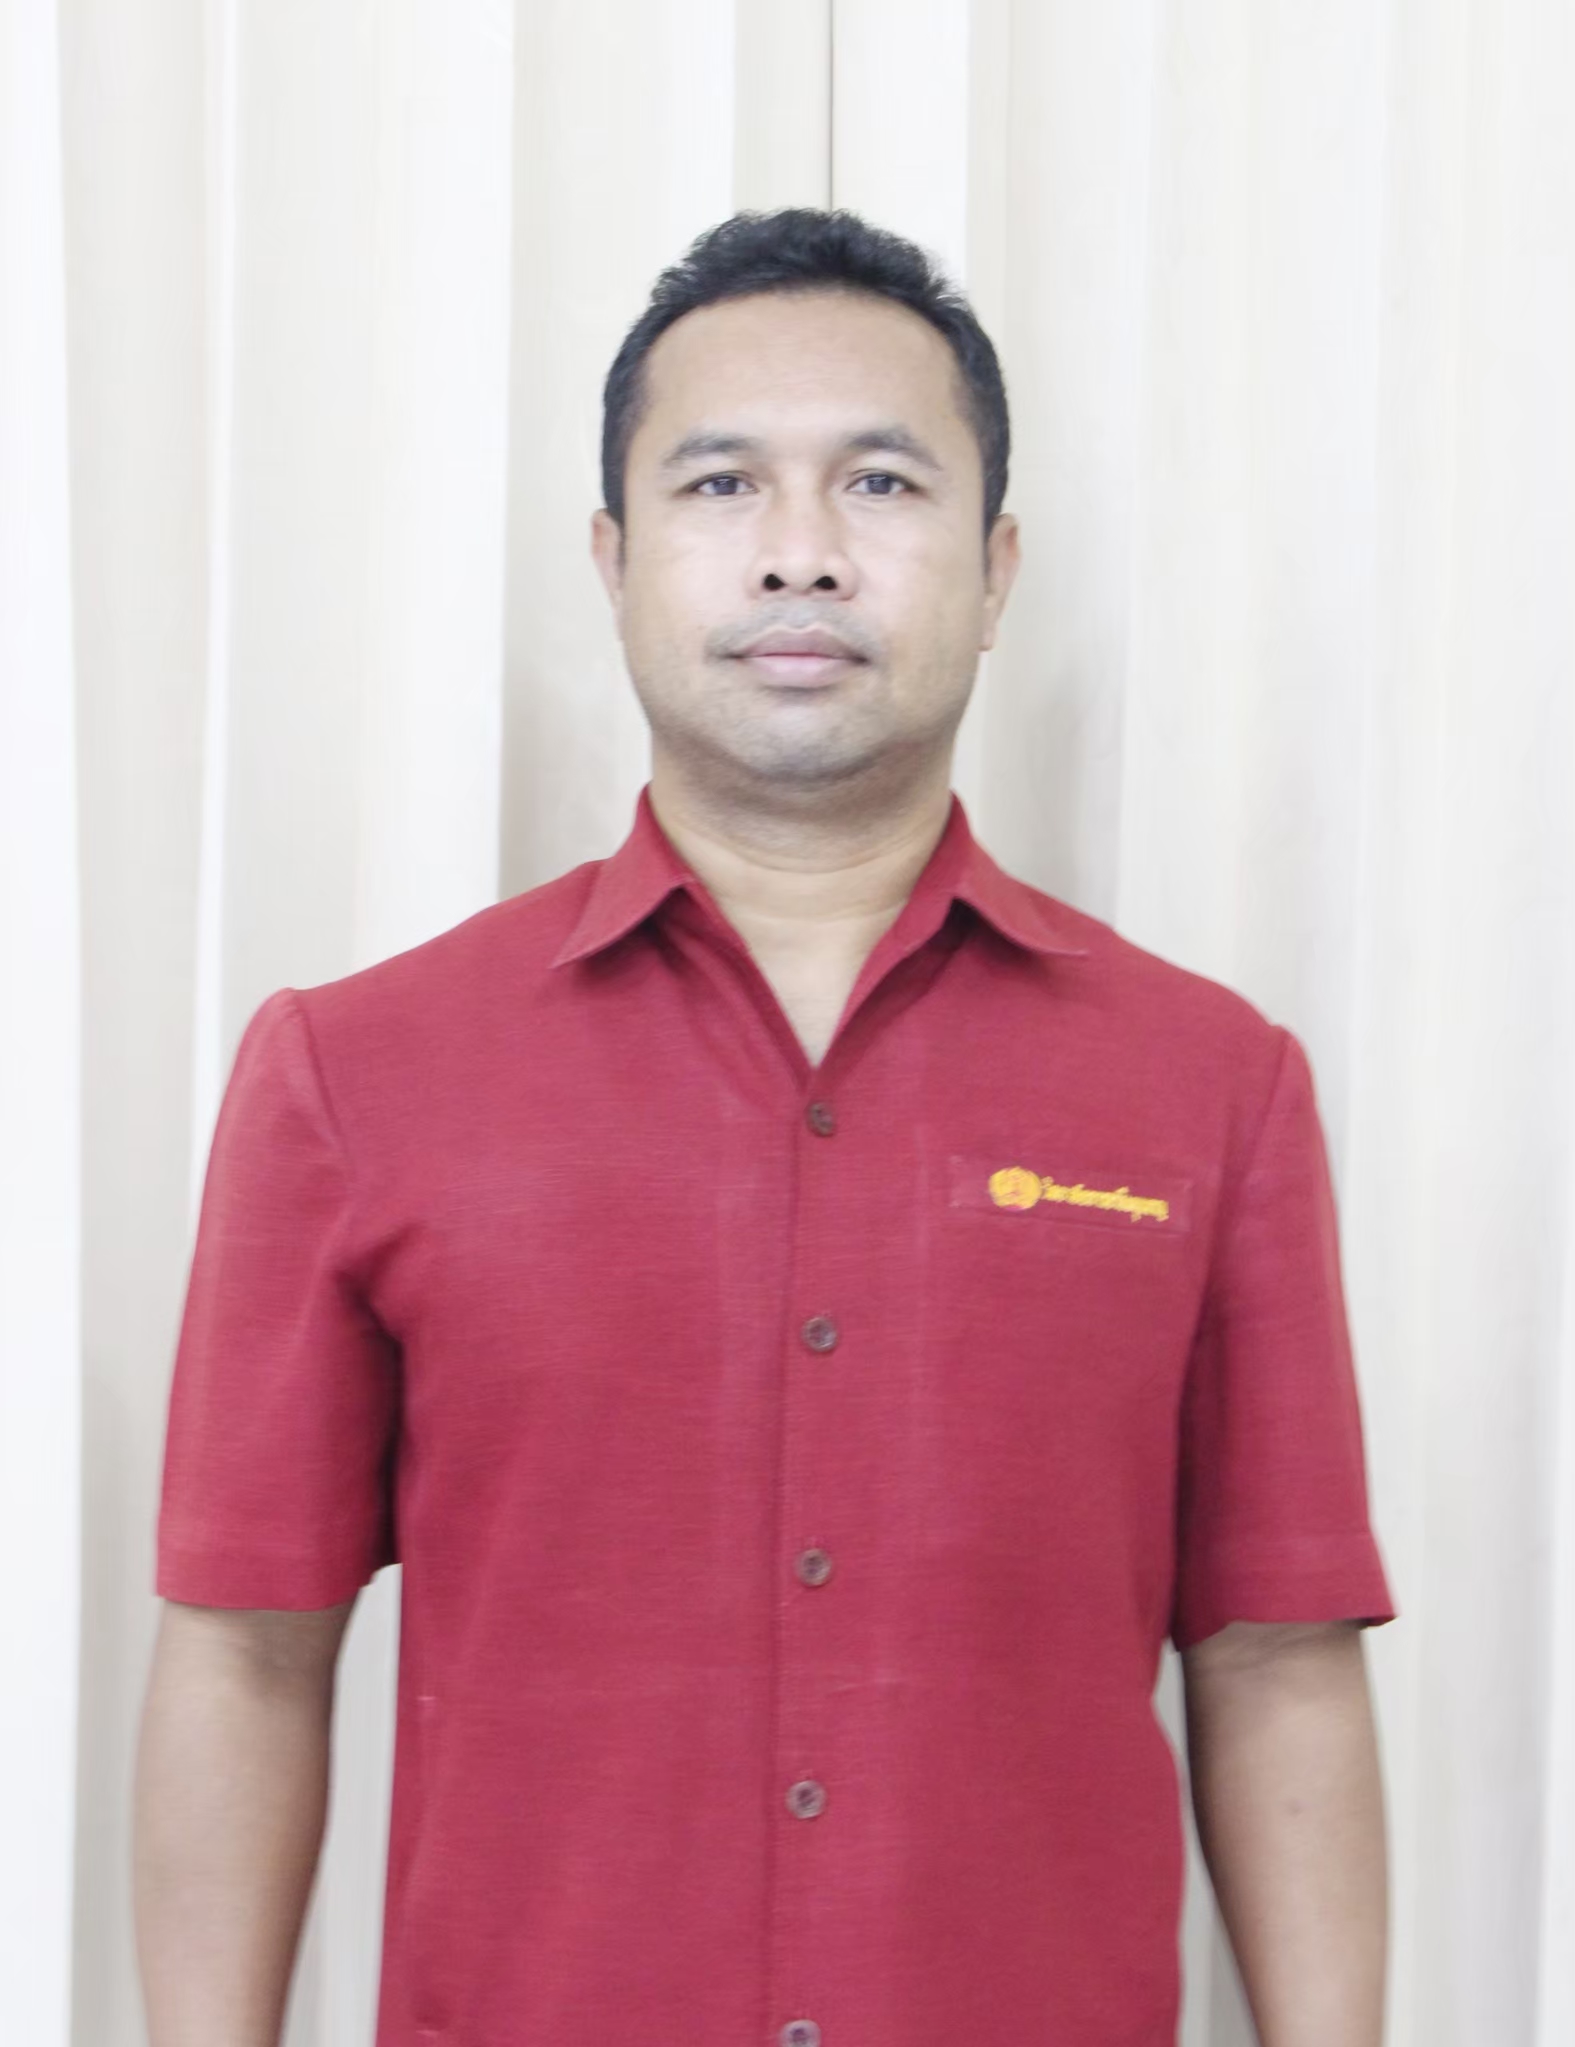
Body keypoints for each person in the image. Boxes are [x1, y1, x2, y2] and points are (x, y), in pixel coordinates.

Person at [135, 208, 1395, 2047]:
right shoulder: (353, 1071)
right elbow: (249, 1652)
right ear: (613, 560)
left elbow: (1277, 1660)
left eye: (881, 483)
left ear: (997, 568)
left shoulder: (1213, 1084)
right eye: (721, 484)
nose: (802, 552)